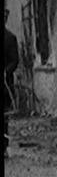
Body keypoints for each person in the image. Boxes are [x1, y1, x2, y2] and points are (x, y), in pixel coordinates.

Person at [4, 9, 19, 155]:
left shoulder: (10, 38)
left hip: (4, 85)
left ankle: (4, 146)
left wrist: (5, 71)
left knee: (4, 117)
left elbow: (15, 61)